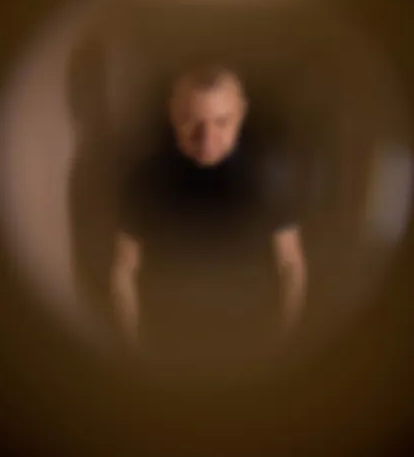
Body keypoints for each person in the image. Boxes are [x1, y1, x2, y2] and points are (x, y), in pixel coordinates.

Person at [109, 64, 307, 365]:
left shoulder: (272, 177)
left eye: (222, 122)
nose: (206, 139)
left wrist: (284, 346)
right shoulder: (143, 178)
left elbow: (291, 266)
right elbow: (123, 269)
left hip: (252, 343)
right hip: (166, 344)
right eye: (191, 121)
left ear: (241, 114)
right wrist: (132, 348)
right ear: (172, 113)